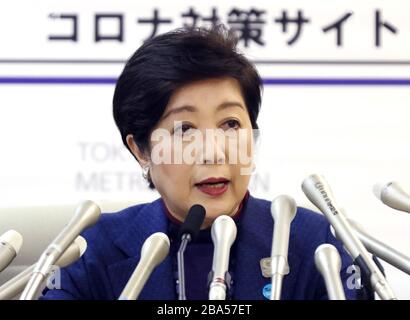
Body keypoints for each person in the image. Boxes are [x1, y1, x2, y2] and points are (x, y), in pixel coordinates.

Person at [41, 25, 364, 300]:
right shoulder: (93, 250)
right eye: (184, 129)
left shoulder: (314, 242)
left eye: (230, 125)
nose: (214, 151)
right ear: (141, 150)